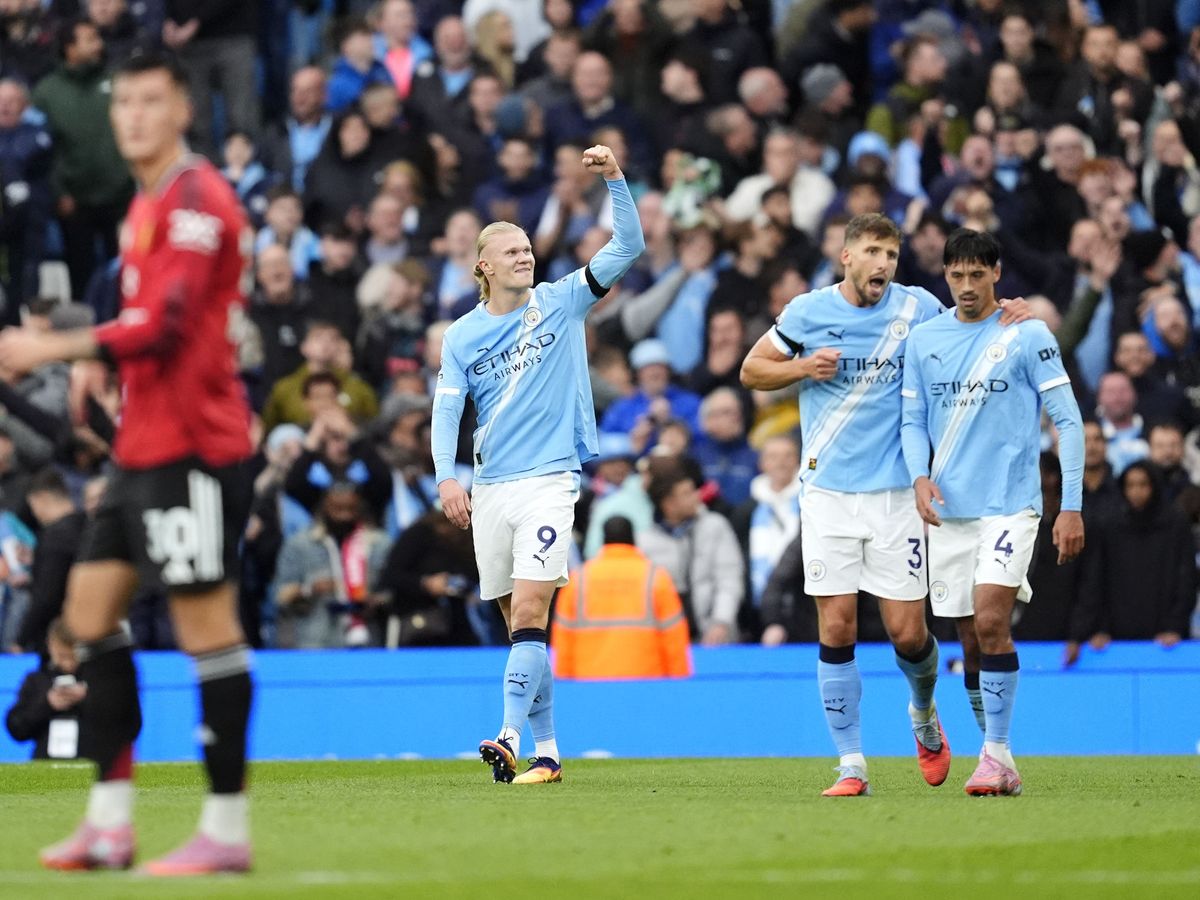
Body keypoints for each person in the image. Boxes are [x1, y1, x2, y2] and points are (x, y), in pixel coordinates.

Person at [0, 53, 255, 874]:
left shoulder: (196, 199)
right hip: (140, 448)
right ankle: (110, 824)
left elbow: (172, 322)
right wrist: (98, 366)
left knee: (205, 629)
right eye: (126, 102)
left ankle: (225, 830)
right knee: (86, 614)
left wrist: (56, 344)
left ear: (182, 107)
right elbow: (147, 320)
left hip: (196, 450)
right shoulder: (145, 204)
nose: (136, 115)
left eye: (153, 100)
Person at [432, 143, 643, 786]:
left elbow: (627, 247)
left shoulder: (563, 301)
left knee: (530, 610)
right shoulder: (462, 335)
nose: (526, 255)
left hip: (550, 481)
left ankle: (506, 735)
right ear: (484, 268)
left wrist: (615, 181)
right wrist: (447, 473)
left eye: (528, 248)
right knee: (518, 624)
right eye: (512, 251)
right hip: (490, 488)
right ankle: (548, 753)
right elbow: (447, 412)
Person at [740, 213, 962, 798]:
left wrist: (1007, 318)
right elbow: (751, 369)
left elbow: (967, 335)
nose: (883, 264)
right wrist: (802, 368)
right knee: (835, 624)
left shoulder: (917, 309)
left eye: (891, 253)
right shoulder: (809, 313)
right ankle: (851, 763)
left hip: (894, 498)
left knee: (907, 634)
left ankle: (922, 711)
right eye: (872, 252)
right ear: (847, 257)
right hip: (829, 496)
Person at [901, 227, 1085, 797]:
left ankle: (997, 753)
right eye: (956, 275)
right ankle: (995, 753)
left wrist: (1071, 507)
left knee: (989, 619)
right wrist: (919, 477)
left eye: (977, 274)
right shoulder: (924, 339)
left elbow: (1070, 421)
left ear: (997, 274)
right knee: (970, 639)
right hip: (950, 511)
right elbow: (911, 420)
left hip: (1011, 505)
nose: (966, 286)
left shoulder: (1027, 333)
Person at [553, 515, 691, 679]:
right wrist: (680, 684)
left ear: (604, 540)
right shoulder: (656, 578)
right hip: (648, 684)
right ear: (633, 539)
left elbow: (563, 639)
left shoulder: (579, 579)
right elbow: (674, 639)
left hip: (589, 685)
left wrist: (564, 683)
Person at [5, 618, 86, 760]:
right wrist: (48, 704)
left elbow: (124, 725)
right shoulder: (37, 681)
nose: (68, 663)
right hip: (46, 763)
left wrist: (90, 698)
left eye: (73, 656)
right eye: (62, 656)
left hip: (90, 762)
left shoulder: (97, 680)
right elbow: (16, 728)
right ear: (51, 646)